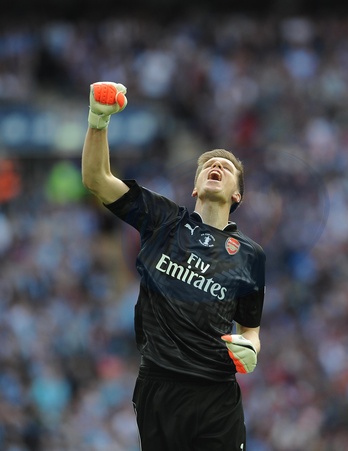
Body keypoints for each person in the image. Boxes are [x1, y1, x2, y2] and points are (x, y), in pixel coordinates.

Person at [81, 82, 266, 451]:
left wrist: (252, 349)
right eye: (208, 164)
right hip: (159, 386)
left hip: (216, 392)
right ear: (195, 188)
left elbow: (251, 329)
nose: (216, 165)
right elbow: (96, 180)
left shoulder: (250, 256)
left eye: (226, 166)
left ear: (237, 195)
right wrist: (98, 120)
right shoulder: (162, 219)